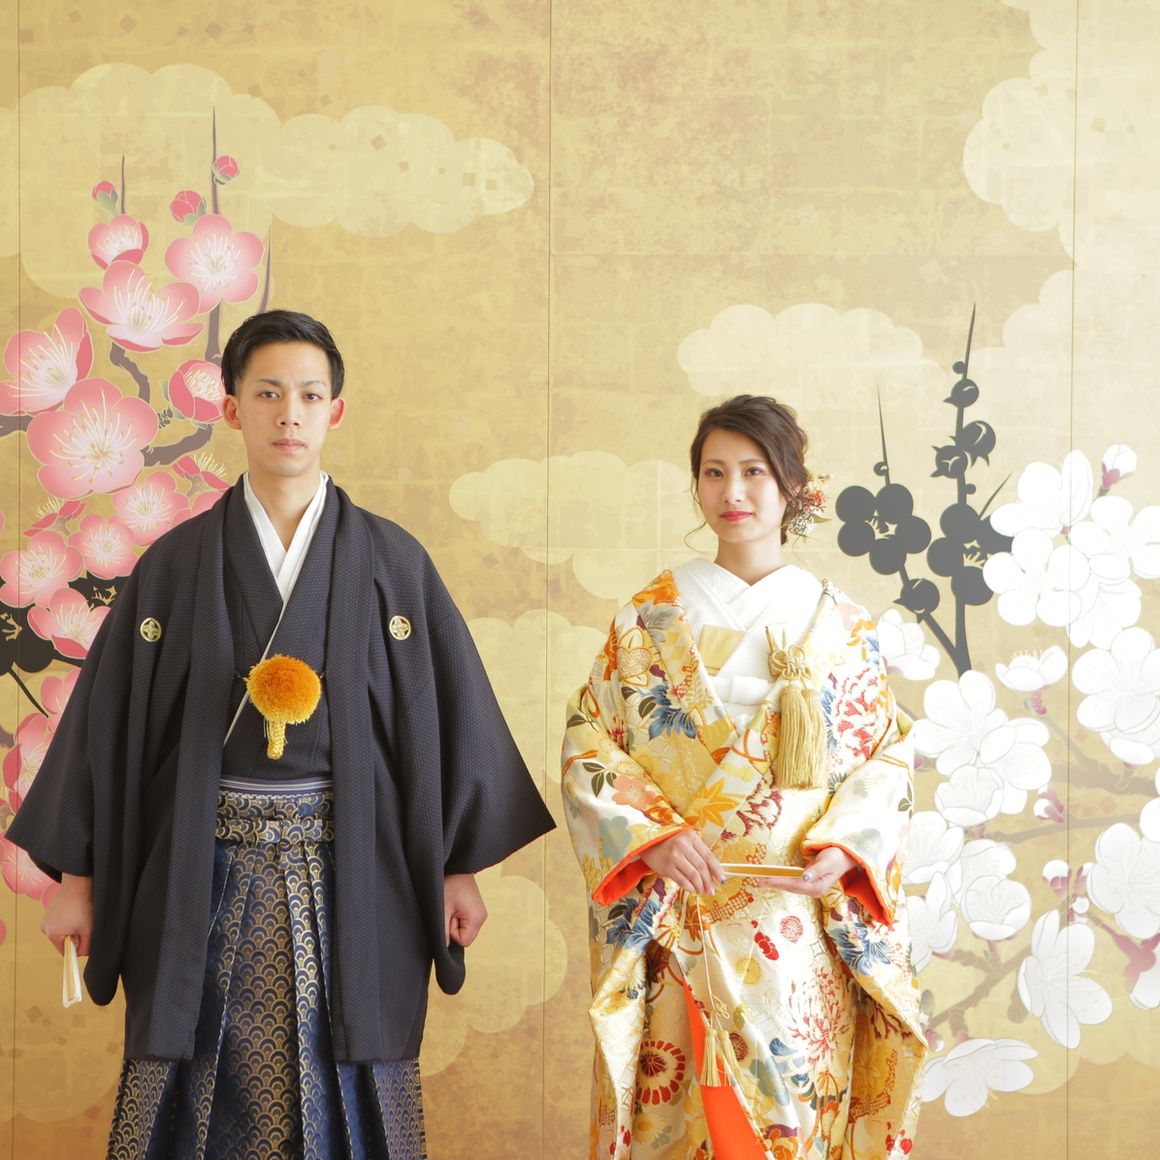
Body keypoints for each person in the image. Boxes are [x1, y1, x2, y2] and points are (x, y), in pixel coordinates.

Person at [7, 309, 555, 1159]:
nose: (288, 415)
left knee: (351, 1070)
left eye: (308, 395)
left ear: (337, 410)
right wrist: (78, 879)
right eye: (267, 394)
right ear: (232, 409)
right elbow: (109, 726)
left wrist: (457, 867)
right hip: (200, 866)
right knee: (199, 1070)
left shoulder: (392, 561)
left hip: (357, 864)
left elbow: (439, 717)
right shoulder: (176, 564)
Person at [561, 395, 925, 1159]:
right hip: (681, 907)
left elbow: (887, 757)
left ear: (794, 485)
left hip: (797, 921)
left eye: (754, 472)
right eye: (714, 472)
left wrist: (848, 849)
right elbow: (591, 740)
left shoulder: (841, 626)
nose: (732, 492)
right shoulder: (648, 620)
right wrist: (652, 838)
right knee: (682, 1115)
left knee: (790, 1122)